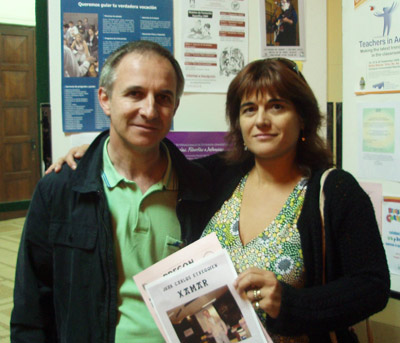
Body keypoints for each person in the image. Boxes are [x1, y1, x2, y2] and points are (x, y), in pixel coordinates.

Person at [47, 58, 390, 342]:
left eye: (277, 106)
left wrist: (291, 303)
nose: (262, 121)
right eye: (249, 109)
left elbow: (373, 286)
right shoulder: (221, 176)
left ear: (302, 117)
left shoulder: (335, 191)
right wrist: (95, 154)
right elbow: (150, 158)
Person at [11, 40, 211, 342]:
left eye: (164, 98)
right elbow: (32, 308)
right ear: (105, 99)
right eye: (135, 93)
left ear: (175, 107)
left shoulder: (203, 188)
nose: (149, 110)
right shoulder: (60, 190)